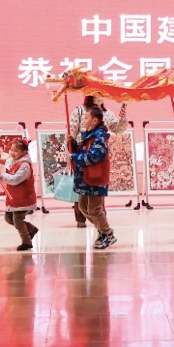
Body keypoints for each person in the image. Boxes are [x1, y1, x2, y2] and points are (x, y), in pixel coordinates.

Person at [69, 95, 126, 227]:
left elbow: (117, 129)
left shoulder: (107, 113)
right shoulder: (79, 111)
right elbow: (72, 132)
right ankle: (82, 219)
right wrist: (72, 151)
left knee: (96, 186)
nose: (101, 96)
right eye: (97, 93)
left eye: (102, 93)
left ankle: (102, 223)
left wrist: (122, 119)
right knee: (81, 188)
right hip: (81, 153)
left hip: (96, 154)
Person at [68, 106, 115, 249]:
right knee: (82, 207)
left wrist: (74, 157)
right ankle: (102, 230)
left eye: (86, 118)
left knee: (95, 209)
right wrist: (73, 143)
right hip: (86, 179)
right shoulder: (89, 136)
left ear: (94, 120)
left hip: (95, 179)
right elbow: (83, 150)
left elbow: (94, 156)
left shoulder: (99, 137)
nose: (84, 120)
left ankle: (107, 233)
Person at [0, 138, 38, 251]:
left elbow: (15, 179)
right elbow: (7, 162)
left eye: (16, 151)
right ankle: (31, 229)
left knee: (18, 220)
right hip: (14, 197)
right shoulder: (14, 160)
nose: (12, 153)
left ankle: (27, 242)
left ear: (24, 152)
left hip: (23, 198)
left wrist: (0, 175)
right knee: (8, 218)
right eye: (11, 150)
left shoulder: (24, 165)